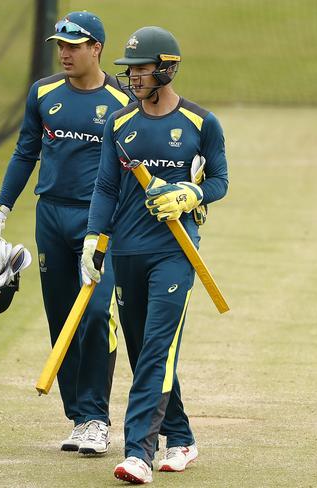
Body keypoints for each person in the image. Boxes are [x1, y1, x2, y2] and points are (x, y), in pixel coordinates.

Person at [0, 11, 130, 455]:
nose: (64, 52)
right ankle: (79, 416)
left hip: (97, 223)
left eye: (74, 45)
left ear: (96, 47)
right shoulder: (42, 93)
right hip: (51, 217)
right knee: (61, 316)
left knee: (97, 314)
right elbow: (26, 153)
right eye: (60, 44)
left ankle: (98, 418)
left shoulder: (122, 103)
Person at [83, 26, 228, 483]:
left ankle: (139, 452)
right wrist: (94, 239)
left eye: (141, 69)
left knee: (157, 350)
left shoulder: (202, 124)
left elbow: (220, 181)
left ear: (166, 68)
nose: (132, 78)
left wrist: (191, 193)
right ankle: (181, 439)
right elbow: (106, 186)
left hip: (176, 253)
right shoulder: (120, 125)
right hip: (128, 251)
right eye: (129, 71)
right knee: (148, 351)